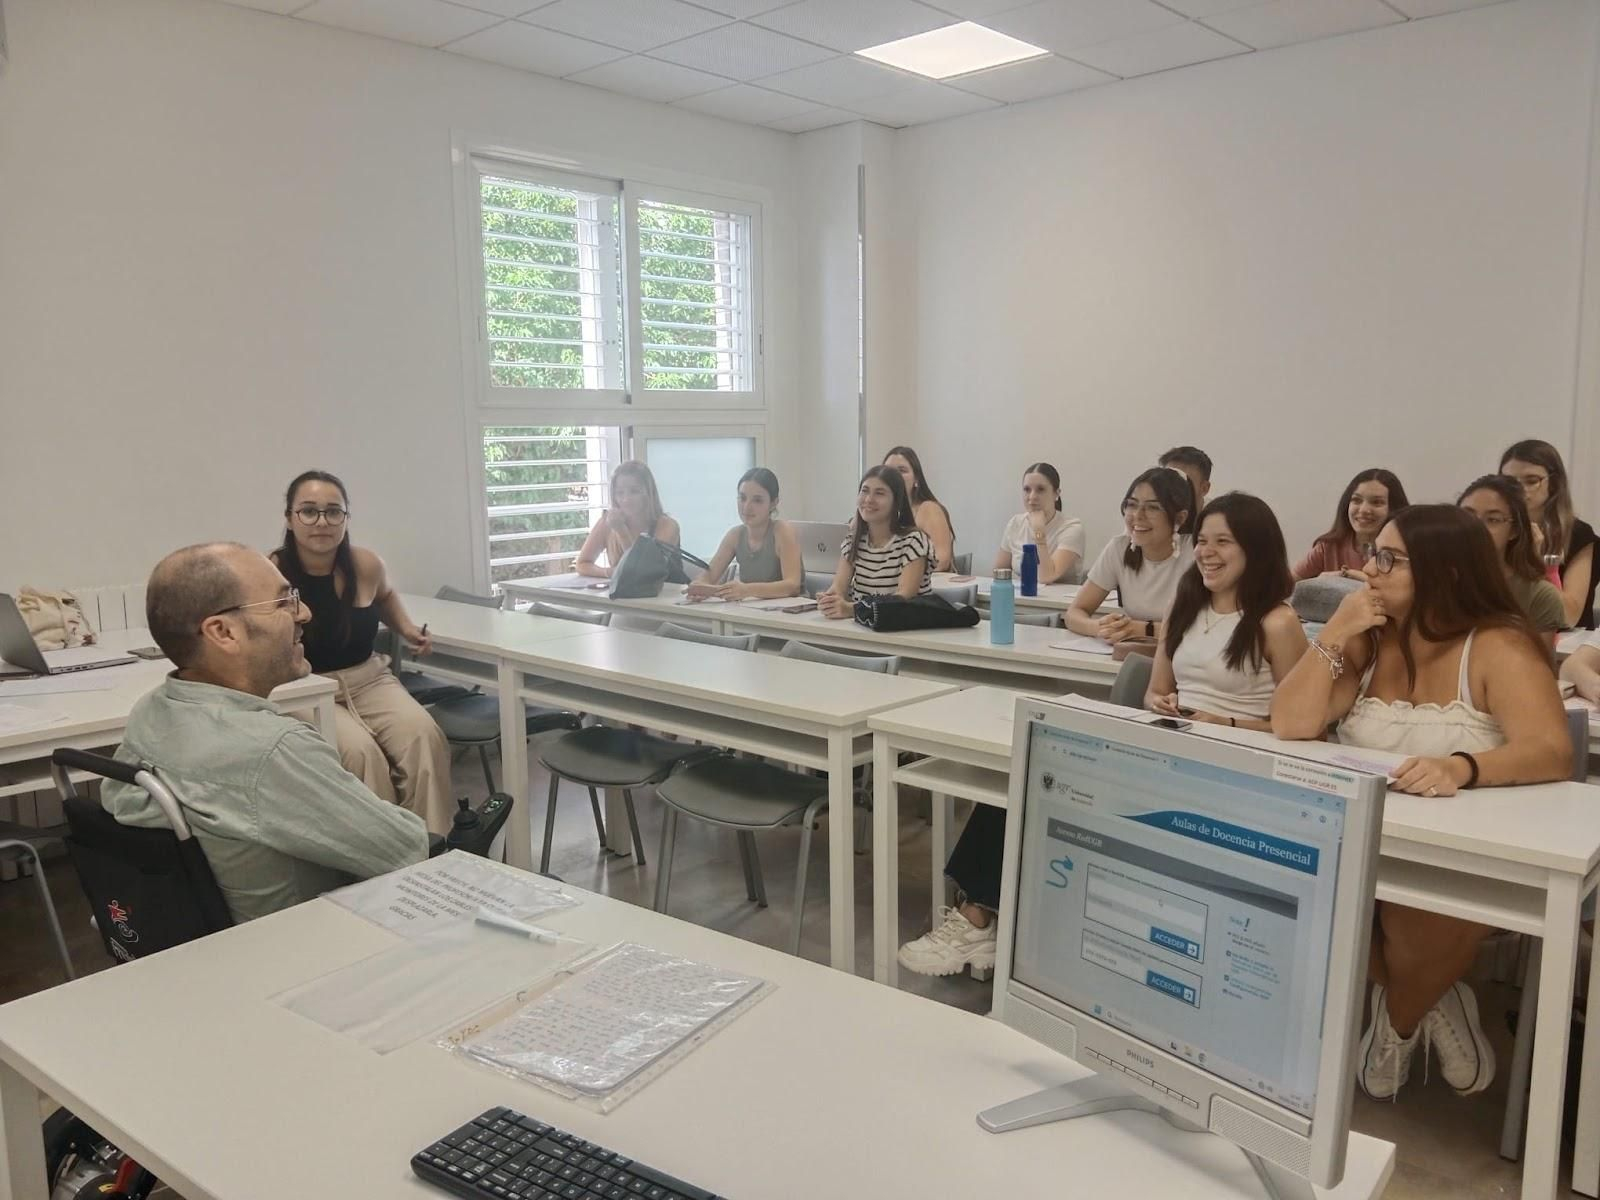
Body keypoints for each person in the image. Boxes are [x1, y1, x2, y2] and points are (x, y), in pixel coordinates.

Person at [1272, 505, 1571, 1101]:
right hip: (1363, 838)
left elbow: (1552, 750)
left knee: (1414, 916)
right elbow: (1291, 723)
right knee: (1314, 895)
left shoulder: (1496, 645)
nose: (1370, 569)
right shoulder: (1368, 640)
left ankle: (1400, 1018)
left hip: (1466, 852)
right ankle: (1434, 998)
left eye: (1389, 558)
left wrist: (1462, 767)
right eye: (1372, 554)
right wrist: (1334, 632)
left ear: (1447, 571)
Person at [101, 543, 428, 924]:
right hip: (308, 946)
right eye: (283, 602)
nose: (304, 612)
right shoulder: (271, 751)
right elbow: (403, 850)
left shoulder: (150, 712)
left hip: (211, 950)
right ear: (223, 631)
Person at [270, 471, 453, 836]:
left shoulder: (366, 564)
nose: (322, 521)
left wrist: (407, 629)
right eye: (308, 511)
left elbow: (384, 596)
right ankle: (383, 856)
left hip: (369, 678)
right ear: (289, 518)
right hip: (306, 686)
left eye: (333, 512)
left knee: (424, 736)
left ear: (346, 518)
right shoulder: (271, 573)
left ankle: (433, 846)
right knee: (359, 754)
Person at [1146, 493, 1307, 732]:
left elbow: (1302, 726)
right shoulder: (1182, 605)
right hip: (1179, 740)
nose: (1206, 552)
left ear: (1255, 550)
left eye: (1222, 541)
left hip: (1241, 749)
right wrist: (1158, 703)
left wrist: (1227, 724)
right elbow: (1154, 692)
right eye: (1201, 541)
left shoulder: (1278, 623)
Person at [1064, 468, 1193, 644]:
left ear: (1179, 518)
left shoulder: (1197, 553)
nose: (1137, 516)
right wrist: (1100, 627)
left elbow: (1204, 629)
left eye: (1153, 507)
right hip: (1132, 652)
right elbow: (1074, 613)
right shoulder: (1119, 548)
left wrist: (1141, 629)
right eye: (1132, 504)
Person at [1499, 439, 1596, 628]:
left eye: (1532, 481)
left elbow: (1568, 616)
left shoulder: (1578, 534)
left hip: (1563, 647)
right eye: (1509, 482)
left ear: (1554, 482)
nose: (1519, 490)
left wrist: (1539, 567)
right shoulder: (1497, 531)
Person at [1459, 475, 1566, 642]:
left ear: (1514, 530)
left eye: (1493, 520)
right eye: (1466, 515)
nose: (1476, 526)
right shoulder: (1437, 585)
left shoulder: (1539, 595)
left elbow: (1536, 666)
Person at [818, 466, 932, 619]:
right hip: (865, 627)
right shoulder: (853, 540)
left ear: (897, 501)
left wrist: (853, 609)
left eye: (879, 493)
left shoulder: (914, 541)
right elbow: (838, 588)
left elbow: (903, 598)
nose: (869, 499)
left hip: (905, 629)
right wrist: (829, 600)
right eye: (864, 491)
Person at [686, 468, 802, 601]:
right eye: (742, 498)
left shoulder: (783, 531)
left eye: (757, 500)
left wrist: (746, 590)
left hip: (790, 613)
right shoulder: (734, 535)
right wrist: (699, 587)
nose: (746, 507)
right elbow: (708, 575)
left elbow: (792, 585)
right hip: (751, 611)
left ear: (773, 503)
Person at [1292, 468, 1409, 582]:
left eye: (1376, 502)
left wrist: (1357, 580)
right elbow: (1286, 586)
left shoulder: (1405, 552)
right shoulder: (1328, 547)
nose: (1363, 510)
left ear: (1395, 508)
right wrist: (1319, 581)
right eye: (1356, 500)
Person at [575, 461, 681, 579]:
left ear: (648, 493)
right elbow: (582, 564)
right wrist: (609, 572)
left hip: (669, 594)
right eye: (620, 493)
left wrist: (621, 531)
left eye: (634, 491)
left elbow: (643, 573)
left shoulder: (667, 525)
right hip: (626, 596)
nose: (626, 499)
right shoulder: (608, 522)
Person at [993, 462, 1085, 586]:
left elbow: (1046, 577)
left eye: (1040, 490)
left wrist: (1039, 534)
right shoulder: (1015, 523)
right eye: (1027, 490)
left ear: (1056, 494)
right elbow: (999, 573)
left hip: (1059, 603)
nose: (1032, 497)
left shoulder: (1072, 528)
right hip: (1023, 598)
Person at [882, 446, 955, 572]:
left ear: (916, 479)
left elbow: (942, 561)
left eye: (902, 470)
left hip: (929, 586)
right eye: (888, 471)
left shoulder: (928, 509)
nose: (894, 476)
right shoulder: (883, 514)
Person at [1158, 445, 1213, 510]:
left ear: (1204, 488)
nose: (1173, 489)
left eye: (1183, 483)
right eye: (1168, 481)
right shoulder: (1155, 510)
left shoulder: (1217, 518)